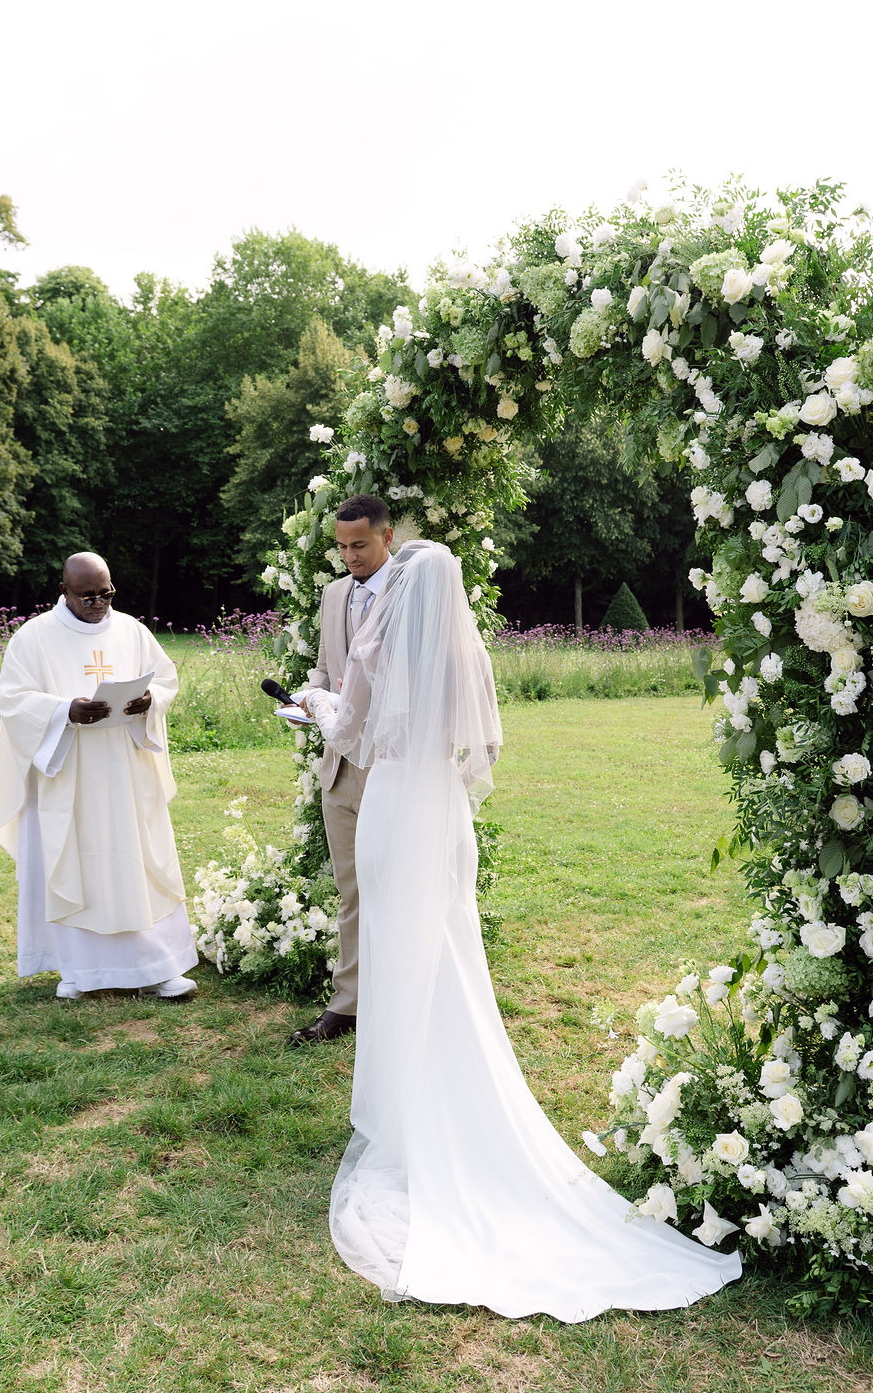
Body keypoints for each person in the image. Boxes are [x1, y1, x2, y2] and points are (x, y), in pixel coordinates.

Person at [302, 541, 741, 1322]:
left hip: (398, 810)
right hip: (445, 816)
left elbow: (353, 737)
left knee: (404, 958)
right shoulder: (467, 649)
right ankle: (439, 1090)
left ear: (401, 587)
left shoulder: (372, 645)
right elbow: (481, 751)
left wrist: (318, 706)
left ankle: (411, 1115)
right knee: (447, 956)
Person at [0, 551, 199, 1001]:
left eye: (106, 594)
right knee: (77, 862)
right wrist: (65, 710)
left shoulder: (132, 631)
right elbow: (12, 699)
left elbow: (165, 679)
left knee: (137, 860)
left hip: (126, 769)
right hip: (69, 773)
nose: (98, 603)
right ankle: (79, 970)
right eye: (87, 596)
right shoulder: (34, 638)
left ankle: (158, 966)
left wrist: (150, 702)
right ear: (64, 590)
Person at [289, 494, 394, 1047]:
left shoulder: (410, 594)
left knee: (397, 888)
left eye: (360, 545)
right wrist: (309, 704)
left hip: (393, 768)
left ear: (387, 537)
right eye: (342, 546)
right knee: (352, 891)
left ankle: (399, 998)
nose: (350, 556)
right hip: (339, 768)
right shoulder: (333, 594)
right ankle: (347, 1005)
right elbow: (330, 673)